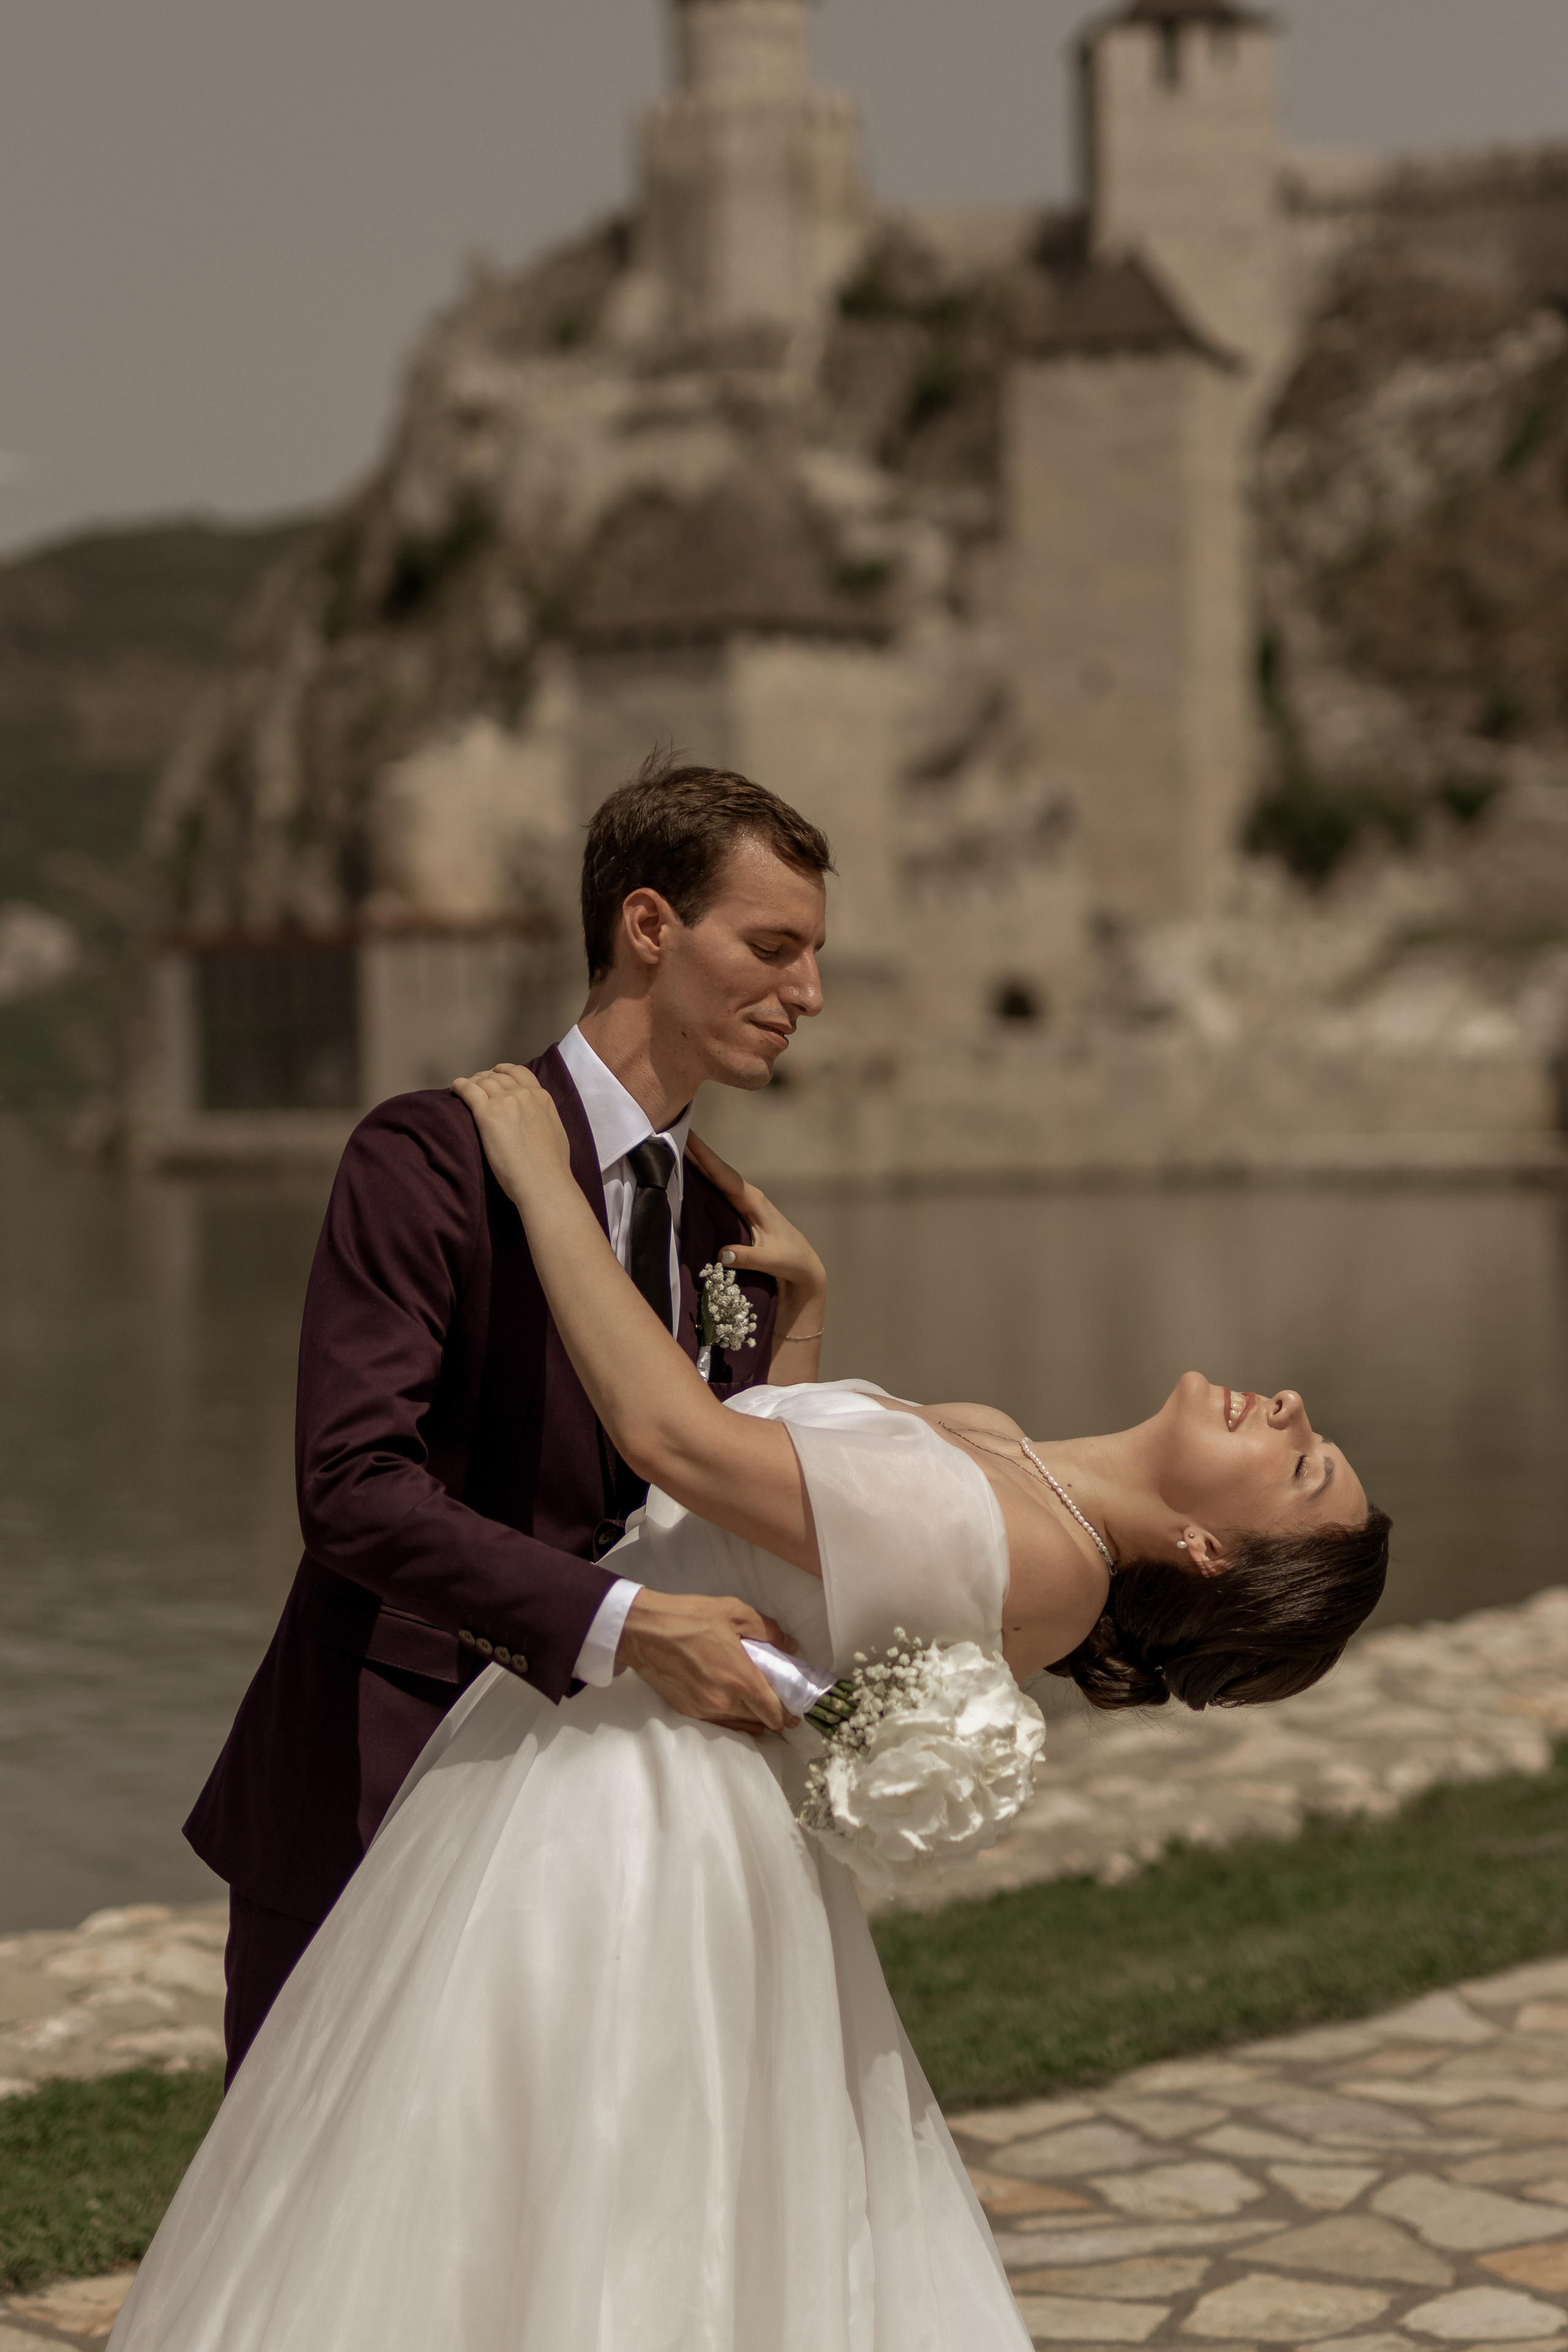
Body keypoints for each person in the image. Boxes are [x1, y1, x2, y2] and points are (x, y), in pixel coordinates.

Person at [111, 1068, 1391, 2352]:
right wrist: (807, 1315)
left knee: (528, 2164)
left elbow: (678, 1447)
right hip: (622, 1749)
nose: (1284, 1408)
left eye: (1294, 1465)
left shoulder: (1033, 1547)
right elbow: (799, 1533)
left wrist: (539, 1181)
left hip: (621, 1803)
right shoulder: (1021, 1483)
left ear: (1210, 1552)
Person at [183, 758, 837, 2084]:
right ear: (647, 928)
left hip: (608, 1813)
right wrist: (629, 1628)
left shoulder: (730, 1232)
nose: (807, 995)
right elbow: (353, 1488)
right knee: (316, 2221)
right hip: (383, 1772)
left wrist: (807, 1314)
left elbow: (717, 1511)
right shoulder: (425, 1156)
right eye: (771, 948)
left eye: (814, 957)